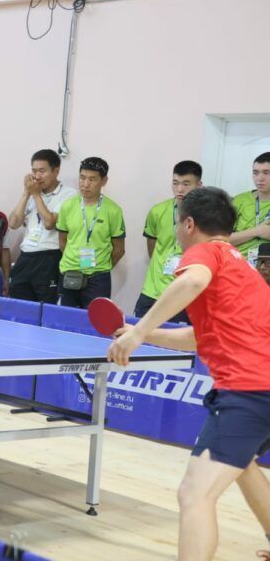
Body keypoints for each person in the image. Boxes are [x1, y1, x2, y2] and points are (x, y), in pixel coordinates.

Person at [107, 187, 270, 561]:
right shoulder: (241, 267)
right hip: (263, 389)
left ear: (189, 224)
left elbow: (192, 281)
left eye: (179, 224)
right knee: (242, 463)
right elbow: (203, 336)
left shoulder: (205, 252)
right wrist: (145, 333)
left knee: (194, 494)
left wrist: (139, 332)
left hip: (248, 391)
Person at [135, 160, 203, 322]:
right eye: (175, 183)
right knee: (140, 333)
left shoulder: (205, 216)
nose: (179, 189)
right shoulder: (157, 211)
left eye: (186, 184)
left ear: (199, 185)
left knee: (174, 337)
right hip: (152, 291)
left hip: (183, 294)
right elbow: (152, 247)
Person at [8, 149, 76, 303]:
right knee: (19, 306)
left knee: (47, 307)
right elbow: (13, 223)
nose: (37, 176)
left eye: (42, 171)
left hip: (49, 257)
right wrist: (26, 193)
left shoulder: (69, 195)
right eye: (34, 171)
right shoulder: (32, 193)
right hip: (26, 257)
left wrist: (36, 195)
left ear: (56, 171)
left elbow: (49, 223)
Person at [56, 157, 125, 308]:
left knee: (95, 319)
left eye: (92, 179)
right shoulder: (67, 206)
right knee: (67, 318)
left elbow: (119, 249)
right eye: (82, 178)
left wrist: (101, 267)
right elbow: (62, 242)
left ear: (104, 181)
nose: (85, 184)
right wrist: (74, 260)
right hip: (69, 272)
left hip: (98, 278)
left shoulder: (113, 210)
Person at [229, 152, 270, 267]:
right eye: (255, 173)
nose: (260, 178)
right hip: (237, 263)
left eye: (266, 173)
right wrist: (257, 231)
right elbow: (221, 239)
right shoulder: (239, 201)